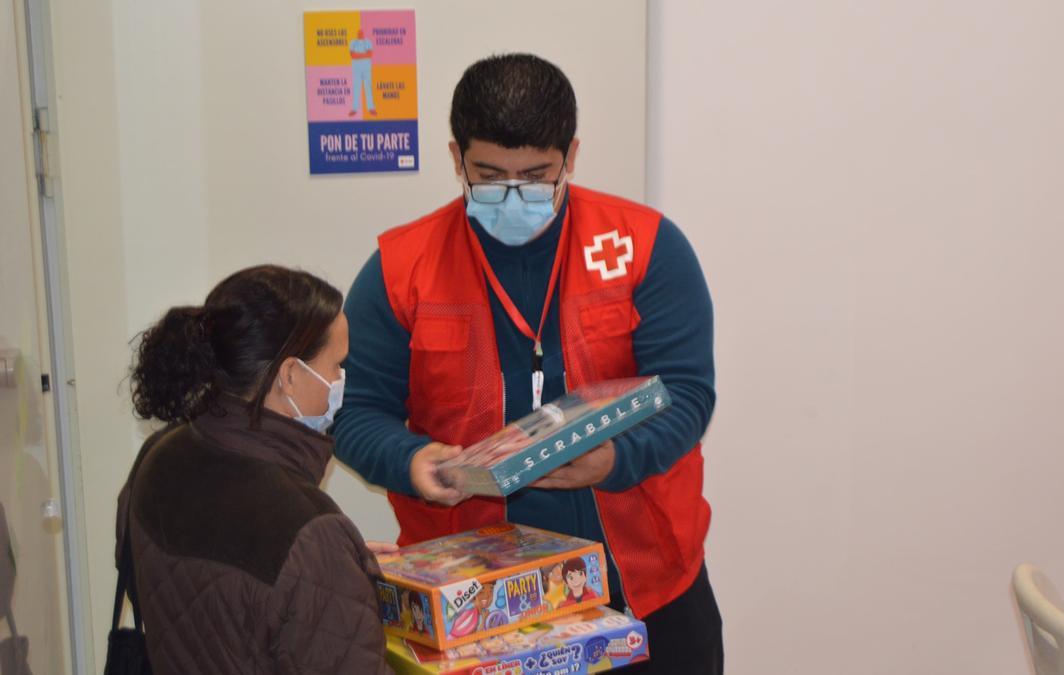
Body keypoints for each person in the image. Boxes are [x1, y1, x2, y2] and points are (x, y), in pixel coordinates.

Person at [333, 53, 723, 673]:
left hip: (646, 588)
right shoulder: (400, 270)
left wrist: (615, 460)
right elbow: (354, 414)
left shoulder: (645, 245)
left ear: (570, 155)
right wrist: (409, 461)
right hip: (475, 610)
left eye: (536, 176)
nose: (513, 195)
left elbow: (687, 394)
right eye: (489, 177)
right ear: (457, 157)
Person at [117, 265, 391, 674]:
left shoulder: (159, 453)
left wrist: (334, 568)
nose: (341, 380)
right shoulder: (307, 531)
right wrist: (323, 563)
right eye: (337, 365)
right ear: (291, 376)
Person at [348, 29, 376, 117]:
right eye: (359, 32)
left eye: (362, 32)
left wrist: (358, 55)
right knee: (356, 88)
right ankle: (354, 109)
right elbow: (352, 55)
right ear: (357, 34)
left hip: (366, 69)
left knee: (368, 88)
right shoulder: (353, 42)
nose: (360, 33)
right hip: (356, 69)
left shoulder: (368, 42)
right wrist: (364, 54)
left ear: (364, 34)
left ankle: (371, 108)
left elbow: (370, 54)